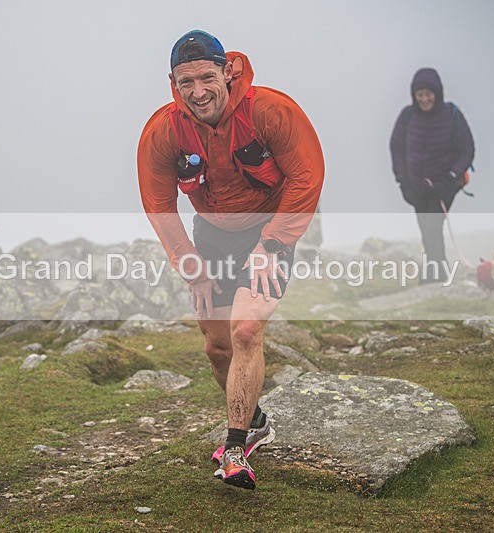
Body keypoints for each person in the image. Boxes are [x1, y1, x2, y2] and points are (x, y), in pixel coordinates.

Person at [137, 30, 324, 490]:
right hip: (212, 235)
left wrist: (274, 244)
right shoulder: (164, 130)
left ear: (227, 71)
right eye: (186, 82)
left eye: (206, 77)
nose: (197, 91)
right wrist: (190, 265)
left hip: (269, 231)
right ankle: (255, 418)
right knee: (217, 347)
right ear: (173, 83)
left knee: (246, 329)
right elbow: (159, 204)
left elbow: (307, 176)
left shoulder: (270, 110)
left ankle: (236, 448)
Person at [390, 68, 475, 283]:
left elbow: (468, 149)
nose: (424, 99)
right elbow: (396, 149)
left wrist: (450, 178)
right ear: (414, 95)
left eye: (428, 94)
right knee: (426, 229)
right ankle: (434, 274)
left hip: (445, 186)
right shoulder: (407, 116)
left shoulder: (452, 114)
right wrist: (403, 183)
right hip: (416, 188)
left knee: (432, 227)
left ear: (437, 93)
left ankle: (435, 278)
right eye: (420, 94)